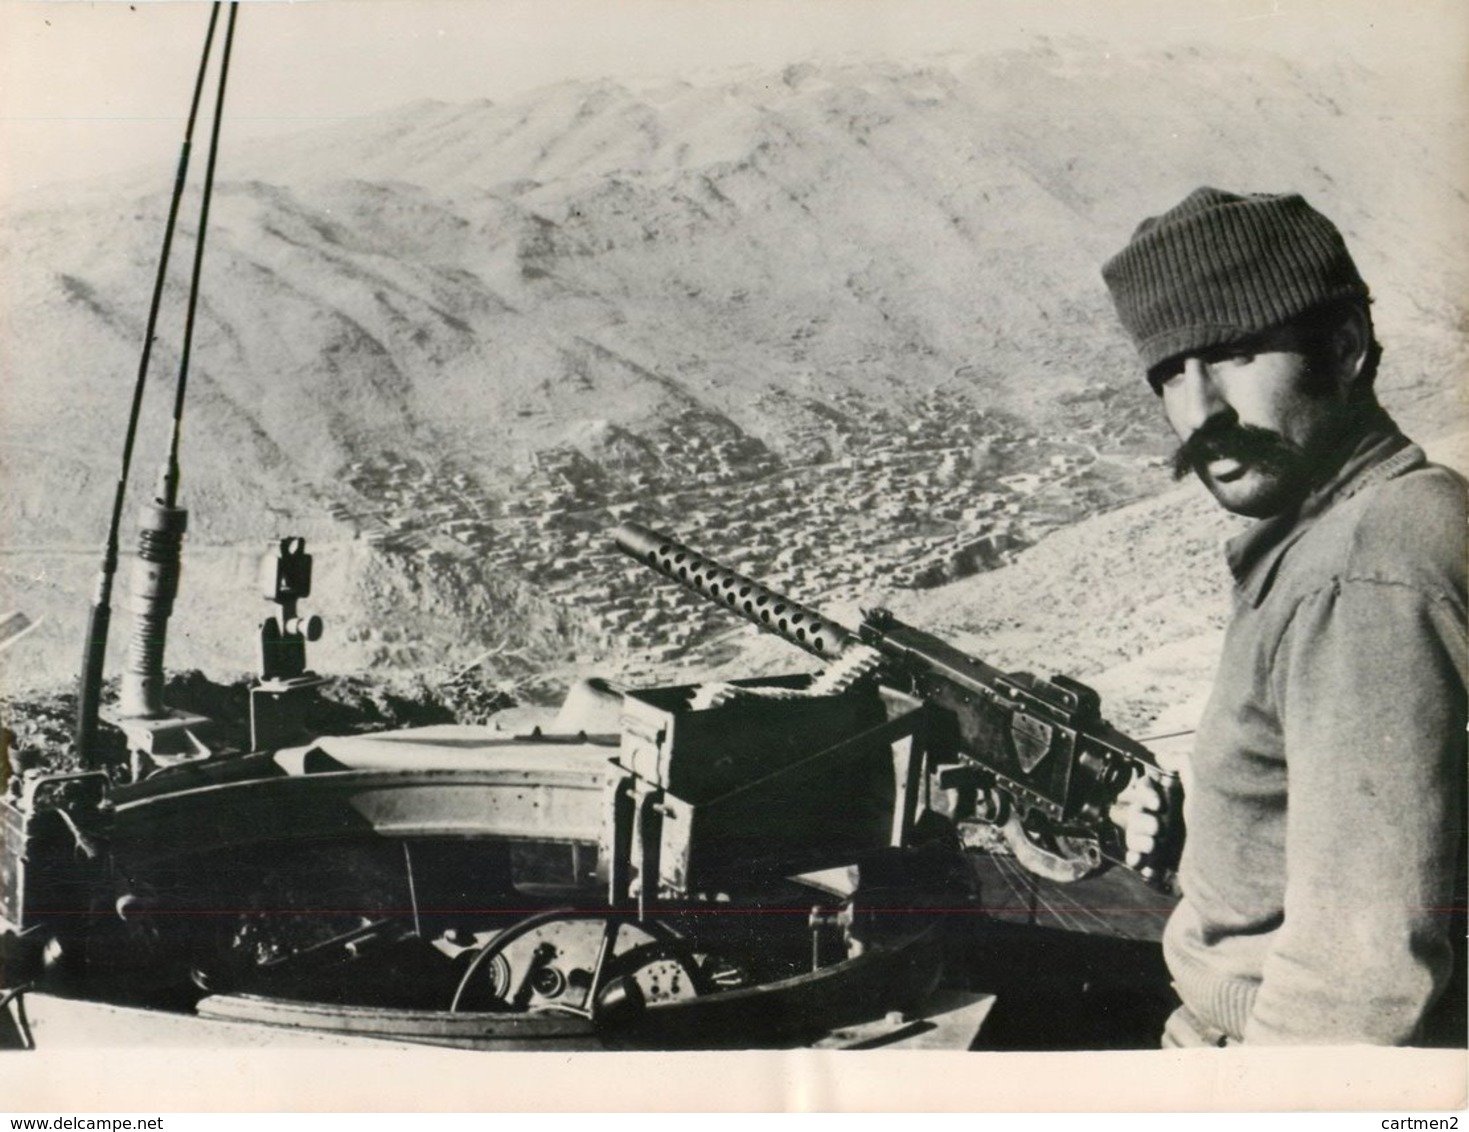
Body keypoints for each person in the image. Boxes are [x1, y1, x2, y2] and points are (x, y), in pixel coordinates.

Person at [1101, 187, 1467, 1046]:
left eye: (1229, 354)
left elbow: (1353, 996)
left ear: (1342, 347)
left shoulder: (1363, 568)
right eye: (1168, 373)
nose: (1198, 412)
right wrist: (1221, 830)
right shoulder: (1355, 528)